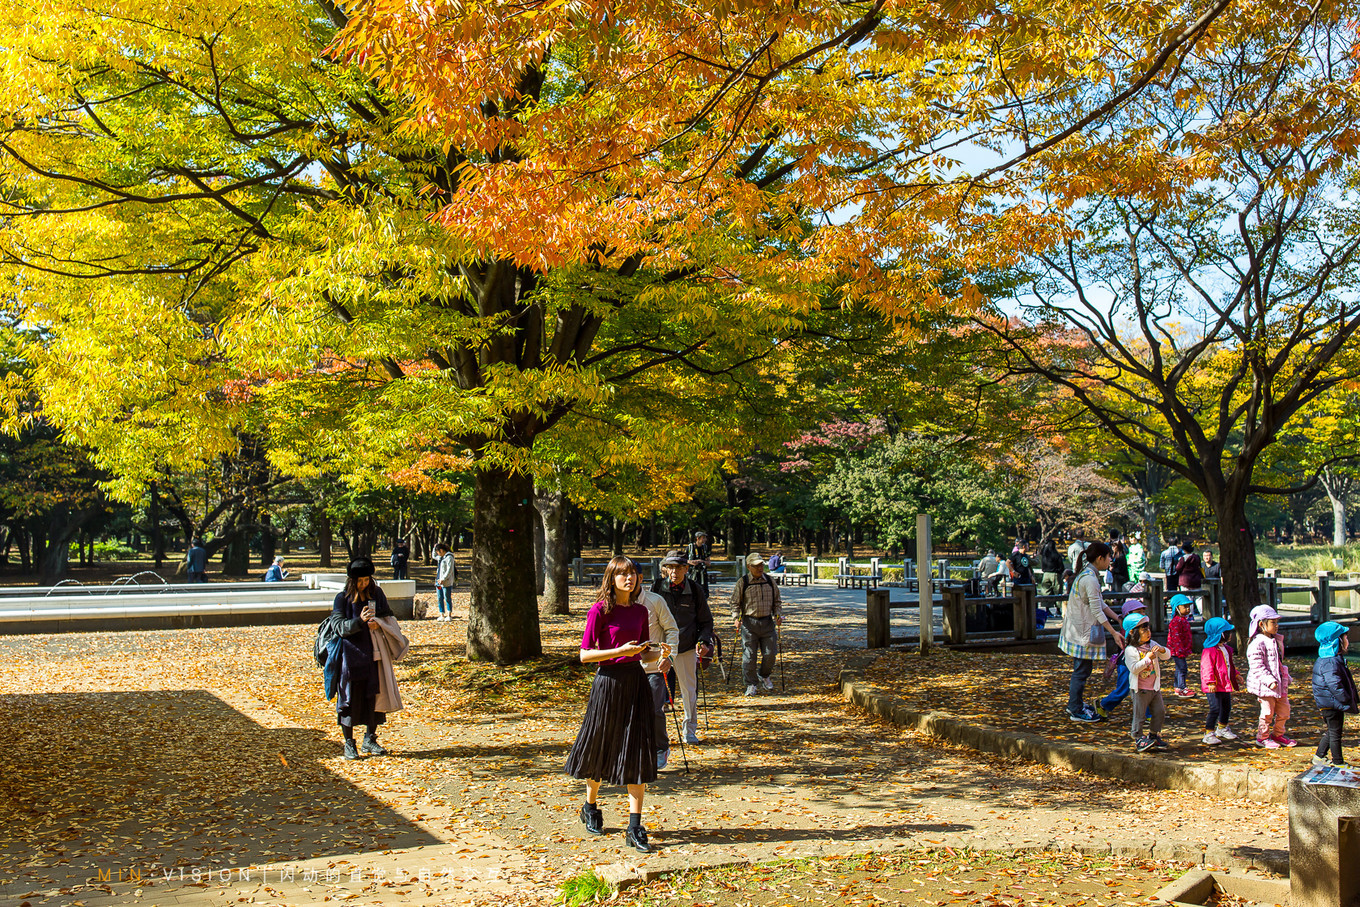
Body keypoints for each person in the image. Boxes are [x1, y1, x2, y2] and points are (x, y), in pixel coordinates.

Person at [566, 556, 658, 853]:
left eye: (633, 574)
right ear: (612, 578)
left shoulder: (642, 611)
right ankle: (590, 806)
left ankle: (635, 825)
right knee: (601, 746)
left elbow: (642, 655)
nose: (629, 579)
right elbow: (584, 656)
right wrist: (618, 650)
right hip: (607, 682)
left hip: (635, 683)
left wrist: (659, 656)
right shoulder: (599, 611)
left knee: (638, 749)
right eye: (623, 575)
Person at [332, 557, 407, 759]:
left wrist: (379, 624)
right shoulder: (342, 598)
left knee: (375, 696)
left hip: (375, 655)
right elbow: (338, 626)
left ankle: (370, 738)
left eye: (366, 580)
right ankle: (349, 742)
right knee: (349, 698)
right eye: (359, 581)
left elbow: (388, 616)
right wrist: (359, 621)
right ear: (352, 581)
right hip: (351, 656)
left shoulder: (377, 594)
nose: (363, 584)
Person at [650, 550, 716, 744]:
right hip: (661, 648)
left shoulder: (695, 590)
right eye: (670, 567)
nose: (674, 571)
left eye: (678, 567)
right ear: (664, 569)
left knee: (689, 691)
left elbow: (706, 621)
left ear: (686, 569)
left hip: (686, 646)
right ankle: (656, 734)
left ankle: (690, 730)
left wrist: (704, 642)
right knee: (656, 691)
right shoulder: (656, 587)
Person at [1058, 542, 1125, 722]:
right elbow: (1096, 609)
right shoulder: (1090, 579)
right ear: (1100, 558)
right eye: (1108, 556)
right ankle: (1075, 708)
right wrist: (1113, 632)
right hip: (1082, 633)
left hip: (1080, 631)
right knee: (1081, 671)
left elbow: (1099, 603)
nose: (1110, 560)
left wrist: (1116, 617)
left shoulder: (1087, 575)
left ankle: (1076, 704)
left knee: (1082, 670)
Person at [638, 562, 680, 770]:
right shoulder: (616, 604)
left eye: (633, 575)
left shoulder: (655, 601)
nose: (629, 581)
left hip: (654, 666)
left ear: (640, 577)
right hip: (627, 667)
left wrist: (668, 657)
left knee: (654, 709)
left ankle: (660, 748)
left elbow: (672, 629)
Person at [731, 553, 782, 697]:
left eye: (761, 565)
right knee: (749, 656)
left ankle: (764, 675)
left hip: (767, 622)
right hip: (749, 623)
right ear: (749, 567)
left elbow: (777, 601)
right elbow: (735, 602)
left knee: (770, 654)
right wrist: (736, 617)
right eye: (756, 565)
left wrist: (778, 614)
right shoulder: (743, 582)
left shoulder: (770, 581)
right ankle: (751, 684)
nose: (760, 568)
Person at [1247, 605, 1295, 748]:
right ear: (1262, 624)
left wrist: (1286, 676)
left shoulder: (1275, 640)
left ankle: (1278, 734)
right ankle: (1262, 737)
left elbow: (1278, 662)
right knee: (1267, 712)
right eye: (1273, 622)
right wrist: (1269, 680)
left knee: (1284, 711)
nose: (1276, 625)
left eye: (1276, 622)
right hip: (1266, 686)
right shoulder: (1257, 643)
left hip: (1279, 684)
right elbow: (1257, 665)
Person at [1311, 621, 1358, 769]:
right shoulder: (1330, 662)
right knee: (1335, 733)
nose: (1347, 641)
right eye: (1345, 638)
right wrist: (1345, 699)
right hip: (1331, 703)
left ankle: (1319, 756)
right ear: (1337, 641)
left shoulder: (1331, 660)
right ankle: (1338, 762)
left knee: (1332, 731)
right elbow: (1334, 685)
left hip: (1330, 703)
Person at [1123, 612, 1171, 752]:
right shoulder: (1130, 650)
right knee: (1140, 715)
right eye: (1144, 630)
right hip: (1140, 689)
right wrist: (1147, 658)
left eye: (1148, 629)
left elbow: (1167, 655)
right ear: (1133, 632)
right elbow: (1134, 668)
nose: (1148, 633)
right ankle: (1138, 737)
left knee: (1159, 712)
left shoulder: (1152, 644)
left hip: (1154, 687)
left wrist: (1162, 650)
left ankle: (1154, 735)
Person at [1096, 599, 1149, 720]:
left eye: (1143, 612)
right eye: (1138, 612)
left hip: (1141, 661)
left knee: (1146, 687)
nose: (1142, 614)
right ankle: (1103, 704)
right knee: (1124, 689)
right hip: (1126, 663)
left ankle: (1149, 713)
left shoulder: (1143, 627)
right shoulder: (1129, 629)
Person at [1200, 617, 1242, 745]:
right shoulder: (1210, 650)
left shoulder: (1226, 649)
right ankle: (1208, 733)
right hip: (1214, 685)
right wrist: (1210, 682)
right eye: (1227, 632)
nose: (1230, 635)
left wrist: (1236, 675)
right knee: (1215, 708)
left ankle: (1222, 728)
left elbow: (1229, 665)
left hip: (1225, 684)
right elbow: (1207, 667)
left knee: (1226, 706)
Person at [1166, 594, 1197, 698]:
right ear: (1177, 608)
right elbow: (1176, 638)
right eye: (1185, 607)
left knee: (1179, 668)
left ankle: (1177, 686)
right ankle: (1182, 687)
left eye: (1188, 606)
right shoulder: (1176, 621)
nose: (1187, 609)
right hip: (1177, 650)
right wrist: (1180, 650)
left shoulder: (1183, 620)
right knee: (1182, 668)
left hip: (1182, 649)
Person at [433, 543, 456, 621]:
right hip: (438, 581)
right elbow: (434, 556)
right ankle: (441, 614)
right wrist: (434, 548)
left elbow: (449, 570)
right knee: (440, 598)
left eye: (438, 551)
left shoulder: (449, 557)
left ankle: (449, 614)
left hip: (446, 582)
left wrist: (443, 578)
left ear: (441, 550)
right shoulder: (441, 558)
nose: (437, 554)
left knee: (447, 597)